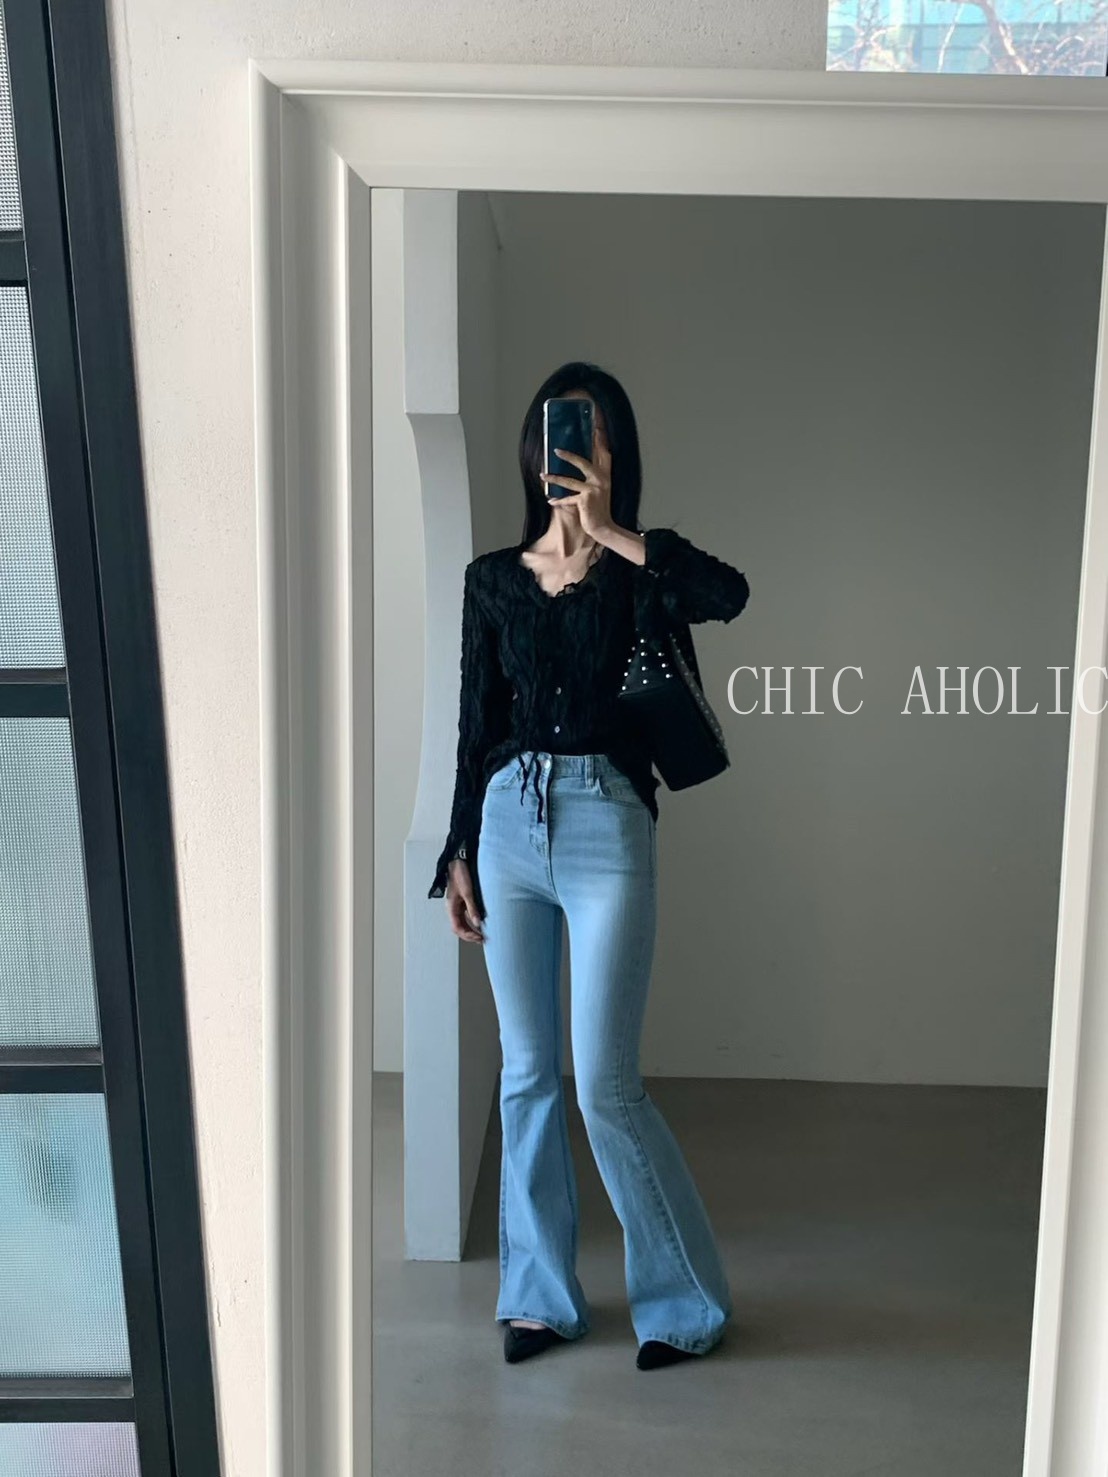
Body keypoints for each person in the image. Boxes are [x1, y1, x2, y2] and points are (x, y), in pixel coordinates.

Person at [429, 360, 751, 1369]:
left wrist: (612, 528)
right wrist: (457, 851)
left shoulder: (638, 571)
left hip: (608, 825)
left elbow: (729, 594)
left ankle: (685, 1305)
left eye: (591, 431)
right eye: (556, 430)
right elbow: (473, 725)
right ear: (533, 451)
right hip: (506, 827)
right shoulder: (491, 580)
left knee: (605, 1083)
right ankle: (537, 1298)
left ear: (615, 452)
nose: (570, 448)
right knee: (526, 1073)